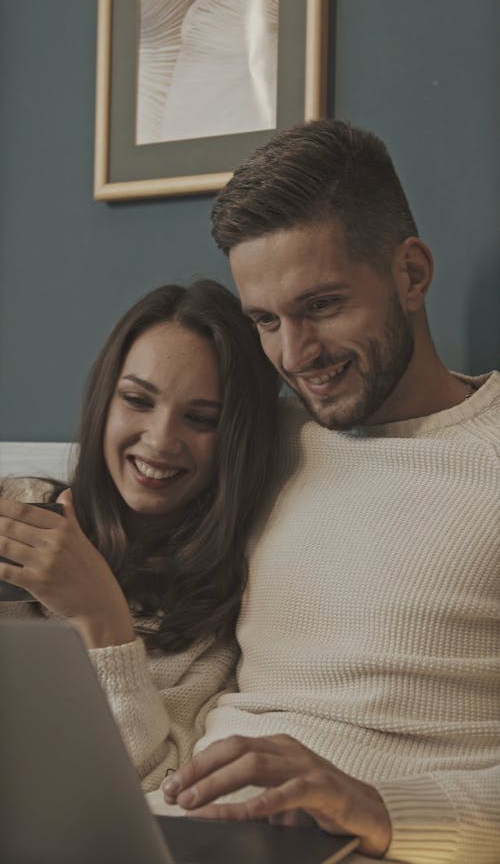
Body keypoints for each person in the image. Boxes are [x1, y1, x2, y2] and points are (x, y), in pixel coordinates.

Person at [158, 120, 500, 863]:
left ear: (411, 274)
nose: (294, 354)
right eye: (265, 320)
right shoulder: (262, 439)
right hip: (191, 828)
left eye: (321, 306)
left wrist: (378, 808)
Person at [0, 279, 280, 790]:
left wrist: (102, 619)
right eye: (137, 399)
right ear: (104, 400)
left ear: (236, 440)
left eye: (200, 418)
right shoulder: (17, 507)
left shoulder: (215, 632)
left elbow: (150, 788)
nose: (160, 440)